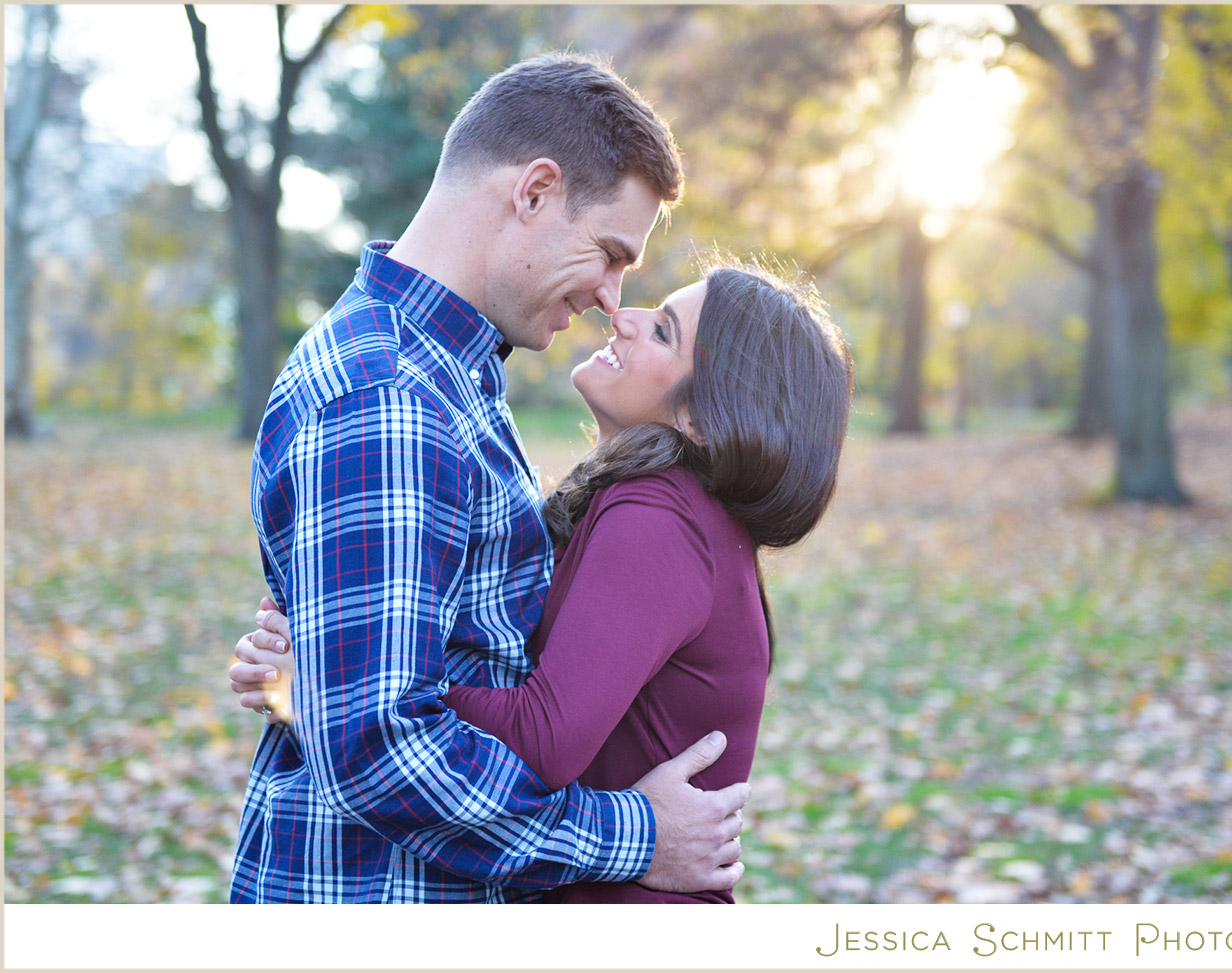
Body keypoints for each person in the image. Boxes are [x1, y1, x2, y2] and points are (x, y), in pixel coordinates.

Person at [229, 52, 750, 904]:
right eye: (609, 253)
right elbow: (384, 751)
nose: (612, 298)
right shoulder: (392, 397)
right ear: (534, 192)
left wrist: (306, 680)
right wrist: (635, 835)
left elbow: (426, 662)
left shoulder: (449, 374)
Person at [232, 261, 855, 902]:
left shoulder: (662, 517)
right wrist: (334, 655)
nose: (624, 317)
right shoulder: (658, 507)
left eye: (663, 331)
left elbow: (541, 737)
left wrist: (335, 683)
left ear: (701, 415)